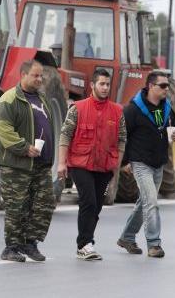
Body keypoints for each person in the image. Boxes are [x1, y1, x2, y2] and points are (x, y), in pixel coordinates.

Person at [57, 69, 126, 260]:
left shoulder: (117, 111)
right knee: (88, 201)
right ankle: (84, 244)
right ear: (92, 85)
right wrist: (61, 163)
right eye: (101, 84)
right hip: (80, 164)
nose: (105, 88)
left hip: (104, 167)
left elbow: (122, 139)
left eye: (107, 84)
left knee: (97, 206)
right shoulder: (77, 108)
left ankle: (87, 242)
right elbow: (65, 135)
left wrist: (116, 165)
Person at [0, 59, 56, 263]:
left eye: (41, 76)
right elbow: (3, 129)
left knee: (43, 204)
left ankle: (30, 243)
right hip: (17, 165)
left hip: (41, 164)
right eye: (35, 75)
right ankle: (11, 247)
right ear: (23, 75)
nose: (40, 79)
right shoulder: (9, 99)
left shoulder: (42, 98)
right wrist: (23, 147)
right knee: (17, 206)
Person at [117, 71, 175, 258]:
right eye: (162, 86)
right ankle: (154, 244)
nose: (166, 90)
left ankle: (127, 237)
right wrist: (125, 162)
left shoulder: (167, 107)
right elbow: (122, 137)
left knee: (143, 202)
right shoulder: (133, 109)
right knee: (151, 202)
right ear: (151, 86)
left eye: (167, 86)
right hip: (140, 162)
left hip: (158, 163)